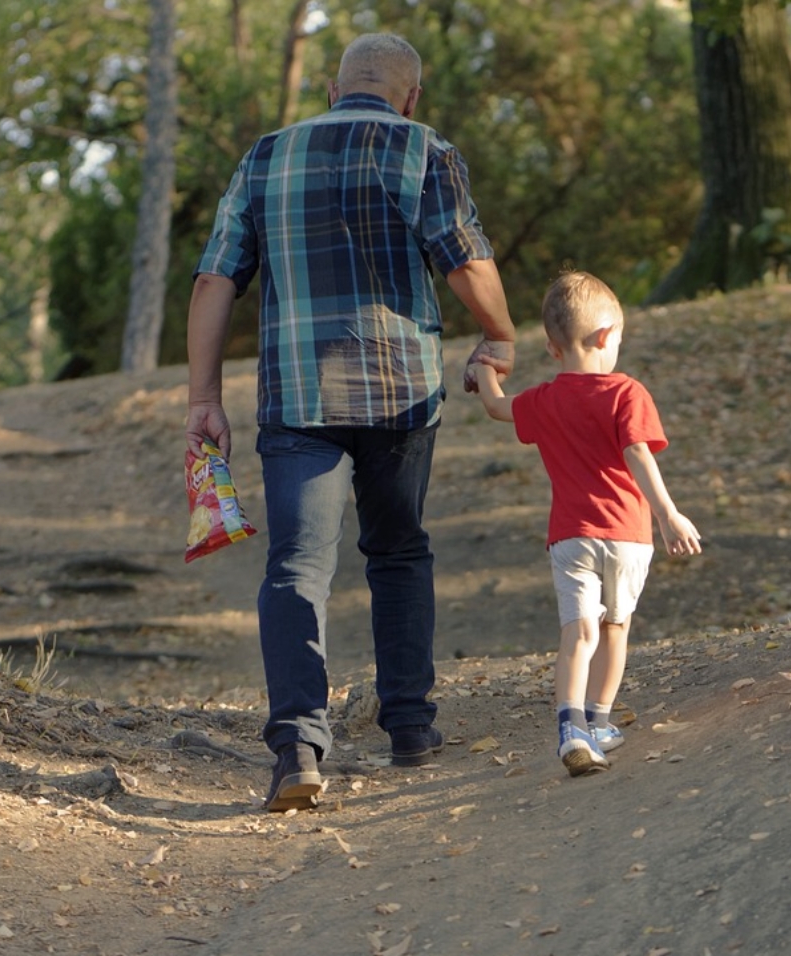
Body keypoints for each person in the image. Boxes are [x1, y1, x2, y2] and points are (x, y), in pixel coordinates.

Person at [184, 33, 517, 812]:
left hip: (298, 397)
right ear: (410, 97)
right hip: (400, 393)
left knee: (297, 568)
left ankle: (298, 746)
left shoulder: (267, 155)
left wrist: (203, 396)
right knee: (398, 550)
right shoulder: (424, 148)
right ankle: (409, 727)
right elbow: (464, 261)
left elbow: (213, 279)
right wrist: (498, 335)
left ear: (334, 91)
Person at [468, 271, 701, 777]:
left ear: (553, 350)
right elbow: (636, 452)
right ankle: (598, 722)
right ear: (604, 337)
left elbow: (495, 407)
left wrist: (487, 369)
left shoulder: (545, 399)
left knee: (578, 633)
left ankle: (570, 727)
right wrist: (668, 513)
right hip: (627, 535)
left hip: (571, 535)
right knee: (615, 628)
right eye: (618, 336)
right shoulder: (626, 393)